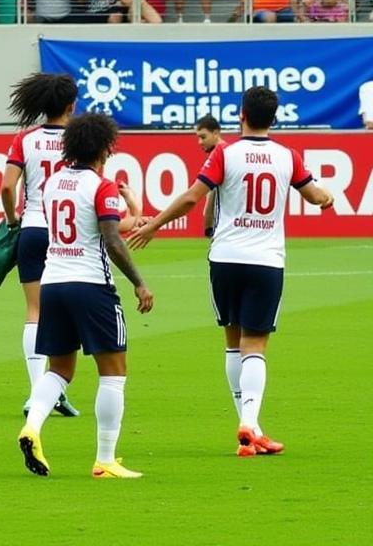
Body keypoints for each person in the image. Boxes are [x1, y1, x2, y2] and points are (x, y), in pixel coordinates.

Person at [129, 86, 333, 457]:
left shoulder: (225, 152)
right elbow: (316, 196)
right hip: (266, 261)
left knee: (232, 342)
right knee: (256, 345)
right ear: (275, 118)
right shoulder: (288, 156)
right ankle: (250, 424)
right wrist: (327, 197)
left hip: (225, 258)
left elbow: (193, 197)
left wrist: (154, 224)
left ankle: (250, 427)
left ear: (242, 115)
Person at [17, 112, 152, 480]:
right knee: (114, 373)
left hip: (53, 284)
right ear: (106, 148)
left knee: (60, 369)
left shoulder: (52, 184)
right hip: (91, 287)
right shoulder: (101, 186)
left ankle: (33, 427)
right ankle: (105, 460)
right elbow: (111, 239)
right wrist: (139, 282)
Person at [1, 73, 82, 418]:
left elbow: (7, 188)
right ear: (69, 105)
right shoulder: (81, 141)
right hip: (69, 235)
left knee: (34, 312)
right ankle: (55, 387)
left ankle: (38, 392)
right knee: (66, 314)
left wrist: (11, 221)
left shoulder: (25, 140)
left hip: (33, 229)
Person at [194, 114, 224, 239]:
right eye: (198, 137)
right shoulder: (228, 152)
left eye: (203, 137)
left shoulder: (221, 154)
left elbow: (193, 196)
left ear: (216, 133)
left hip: (225, 229)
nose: (200, 142)